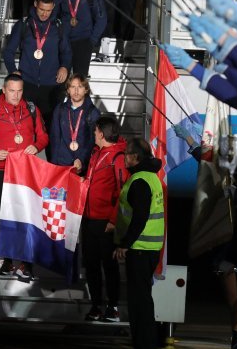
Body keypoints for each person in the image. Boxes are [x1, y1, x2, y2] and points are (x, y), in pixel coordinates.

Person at [0, 74, 49, 281]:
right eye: (12, 91)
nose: (16, 95)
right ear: (4, 89)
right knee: (3, 217)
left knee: (27, 217)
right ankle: (8, 260)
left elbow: (44, 136)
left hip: (26, 171)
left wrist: (37, 146)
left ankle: (26, 264)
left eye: (19, 91)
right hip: (1, 170)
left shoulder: (32, 110)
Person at [2, 0, 71, 148]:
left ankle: (50, 166)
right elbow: (8, 52)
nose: (45, 14)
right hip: (27, 85)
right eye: (42, 9)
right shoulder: (24, 24)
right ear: (35, 4)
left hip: (51, 86)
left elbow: (66, 52)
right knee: (24, 129)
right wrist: (13, 71)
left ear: (53, 7)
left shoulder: (58, 26)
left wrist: (65, 67)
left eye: (48, 10)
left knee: (51, 132)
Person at [114, 137, 164, 349]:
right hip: (148, 248)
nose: (124, 157)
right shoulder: (151, 177)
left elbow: (140, 216)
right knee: (143, 298)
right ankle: (147, 340)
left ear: (135, 157)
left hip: (140, 249)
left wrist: (125, 244)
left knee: (139, 301)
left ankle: (144, 343)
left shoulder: (139, 180)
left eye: (126, 154)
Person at [81, 116, 126, 322]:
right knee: (91, 264)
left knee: (109, 266)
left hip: (105, 222)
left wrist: (113, 220)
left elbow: (123, 191)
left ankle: (113, 307)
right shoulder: (96, 152)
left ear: (101, 132)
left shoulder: (117, 157)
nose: (93, 133)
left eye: (95, 130)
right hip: (89, 218)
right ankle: (96, 305)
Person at [53, 0, 106, 77]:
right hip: (64, 41)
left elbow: (101, 18)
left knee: (79, 81)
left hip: (83, 41)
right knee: (60, 81)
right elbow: (52, 16)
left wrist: (91, 41)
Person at [49, 74, 100, 170]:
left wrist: (82, 159)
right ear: (68, 90)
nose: (76, 91)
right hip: (61, 164)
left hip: (82, 165)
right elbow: (55, 138)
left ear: (86, 90)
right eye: (73, 87)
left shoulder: (93, 112)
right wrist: (54, 165)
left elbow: (93, 141)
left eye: (80, 87)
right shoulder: (60, 109)